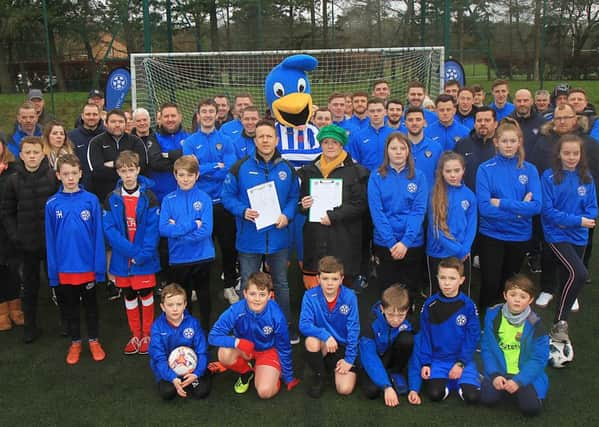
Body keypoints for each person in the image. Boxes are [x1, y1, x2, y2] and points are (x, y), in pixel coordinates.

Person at [221, 119, 300, 343]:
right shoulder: (240, 167)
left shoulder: (287, 168)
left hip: (278, 237)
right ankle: (249, 327)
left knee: (281, 283)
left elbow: (294, 197)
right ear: (254, 140)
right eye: (261, 136)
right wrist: (242, 210)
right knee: (248, 282)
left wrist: (287, 214)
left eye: (269, 136)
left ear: (276, 139)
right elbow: (227, 196)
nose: (265, 140)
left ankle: (285, 326)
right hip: (249, 238)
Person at [45, 154, 106, 364]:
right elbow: (50, 240)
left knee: (91, 306)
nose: (70, 178)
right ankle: (75, 342)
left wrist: (99, 268)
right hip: (64, 269)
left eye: (74, 173)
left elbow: (98, 236)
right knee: (70, 308)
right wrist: (53, 273)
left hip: (87, 267)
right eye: (65, 174)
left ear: (80, 174)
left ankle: (94, 340)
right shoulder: (52, 204)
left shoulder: (91, 200)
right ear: (58, 176)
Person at [476, 118, 542, 311]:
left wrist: (503, 203)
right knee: (490, 281)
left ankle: (504, 319)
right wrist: (521, 210)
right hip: (492, 235)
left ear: (519, 142)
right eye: (504, 141)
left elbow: (536, 206)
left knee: (509, 283)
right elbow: (485, 208)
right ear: (496, 142)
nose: (508, 145)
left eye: (513, 141)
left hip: (519, 236)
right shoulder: (485, 169)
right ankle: (485, 320)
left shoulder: (529, 170)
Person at [1, 136, 58, 342]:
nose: (32, 156)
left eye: (36, 152)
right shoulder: (12, 181)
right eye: (28, 153)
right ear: (21, 155)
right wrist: (16, 236)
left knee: (57, 284)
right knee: (30, 287)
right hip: (27, 245)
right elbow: (6, 212)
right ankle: (30, 327)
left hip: (51, 244)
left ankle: (66, 325)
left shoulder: (53, 177)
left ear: (43, 153)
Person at [103, 151, 161, 355]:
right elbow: (110, 230)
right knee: (128, 295)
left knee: (145, 293)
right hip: (123, 259)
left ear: (138, 170)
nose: (128, 175)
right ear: (118, 172)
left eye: (131, 170)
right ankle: (135, 334)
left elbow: (153, 230)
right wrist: (131, 252)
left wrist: (142, 254)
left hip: (145, 258)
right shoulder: (112, 198)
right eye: (123, 171)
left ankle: (147, 334)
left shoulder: (149, 197)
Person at [540, 134, 597, 343]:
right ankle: (560, 322)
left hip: (578, 236)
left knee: (568, 277)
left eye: (575, 153)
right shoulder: (549, 177)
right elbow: (548, 211)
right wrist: (577, 220)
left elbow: (592, 210)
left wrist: (573, 221)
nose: (571, 157)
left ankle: (558, 323)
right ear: (559, 154)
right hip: (556, 235)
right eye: (567, 153)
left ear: (581, 155)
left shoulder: (587, 177)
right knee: (580, 273)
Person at [183, 99, 239, 305]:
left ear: (217, 115)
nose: (207, 115)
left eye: (211, 112)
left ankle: (229, 286)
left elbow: (230, 168)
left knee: (228, 247)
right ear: (198, 115)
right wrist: (216, 165)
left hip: (222, 202)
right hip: (198, 203)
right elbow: (190, 170)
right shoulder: (190, 142)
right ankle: (196, 286)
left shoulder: (226, 140)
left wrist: (203, 168)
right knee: (198, 245)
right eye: (203, 111)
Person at [298, 124, 369, 289]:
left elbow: (360, 204)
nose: (330, 146)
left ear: (341, 145)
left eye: (335, 142)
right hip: (316, 236)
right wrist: (303, 204)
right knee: (318, 284)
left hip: (344, 236)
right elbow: (300, 201)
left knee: (342, 284)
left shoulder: (357, 172)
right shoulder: (309, 171)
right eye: (326, 142)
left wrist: (334, 215)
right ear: (320, 144)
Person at [209, 271, 299, 397]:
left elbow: (284, 347)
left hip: (268, 351)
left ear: (269, 296)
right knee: (224, 353)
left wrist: (288, 376)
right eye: (252, 294)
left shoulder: (276, 316)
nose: (257, 299)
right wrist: (237, 342)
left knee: (265, 392)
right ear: (245, 293)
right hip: (245, 349)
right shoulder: (236, 310)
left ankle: (267, 371)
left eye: (262, 294)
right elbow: (213, 336)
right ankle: (247, 372)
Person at [368, 132, 428, 297]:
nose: (398, 151)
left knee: (409, 290)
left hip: (412, 243)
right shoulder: (376, 176)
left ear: (408, 151)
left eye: (403, 148)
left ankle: (407, 320)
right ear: (387, 151)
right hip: (385, 243)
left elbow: (418, 211)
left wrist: (406, 242)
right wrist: (391, 241)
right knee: (387, 290)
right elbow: (377, 212)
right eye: (393, 148)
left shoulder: (419, 176)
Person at [480, 274, 549, 416]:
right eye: (513, 295)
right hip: (500, 370)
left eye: (523, 296)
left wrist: (519, 380)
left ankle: (518, 388)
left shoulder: (536, 325)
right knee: (487, 400)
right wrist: (495, 374)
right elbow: (487, 348)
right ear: (505, 295)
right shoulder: (493, 316)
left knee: (531, 409)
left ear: (530, 300)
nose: (517, 299)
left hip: (523, 373)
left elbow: (539, 358)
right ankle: (493, 381)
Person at [159, 155, 214, 330]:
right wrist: (191, 225)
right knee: (183, 299)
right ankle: (186, 332)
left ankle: (205, 331)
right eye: (181, 175)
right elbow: (163, 229)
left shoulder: (204, 198)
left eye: (190, 175)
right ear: (175, 175)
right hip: (179, 258)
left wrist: (178, 233)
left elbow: (206, 230)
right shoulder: (168, 200)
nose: (185, 179)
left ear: (197, 175)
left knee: (204, 297)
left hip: (202, 256)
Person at [418, 257, 480, 404]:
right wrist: (426, 363)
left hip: (461, 360)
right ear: (437, 278)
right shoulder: (429, 305)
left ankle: (462, 381)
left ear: (461, 280)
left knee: (472, 398)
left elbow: (473, 337)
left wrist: (461, 363)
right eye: (443, 277)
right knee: (434, 394)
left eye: (452, 278)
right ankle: (449, 383)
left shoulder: (468, 305)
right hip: (438, 360)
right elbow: (425, 335)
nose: (446, 283)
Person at [299, 256, 359, 398]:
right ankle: (320, 376)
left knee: (345, 389)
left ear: (341, 279)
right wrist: (326, 335)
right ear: (318, 279)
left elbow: (354, 329)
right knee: (311, 341)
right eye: (325, 279)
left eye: (334, 279)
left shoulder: (350, 297)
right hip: (324, 343)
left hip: (342, 346)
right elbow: (304, 324)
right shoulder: (310, 296)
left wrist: (349, 359)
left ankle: (330, 366)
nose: (330, 283)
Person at [149, 283, 211, 400]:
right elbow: (158, 357)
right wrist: (172, 377)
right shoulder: (157, 327)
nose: (175, 309)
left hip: (191, 368)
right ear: (163, 307)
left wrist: (196, 373)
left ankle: (205, 372)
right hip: (169, 369)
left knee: (201, 392)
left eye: (179, 304)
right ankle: (177, 381)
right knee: (167, 393)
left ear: (185, 305)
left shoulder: (193, 323)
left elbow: (202, 351)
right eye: (170, 305)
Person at [426, 152, 477, 295]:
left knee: (461, 291)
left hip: (463, 253)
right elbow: (435, 228)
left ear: (463, 171)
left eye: (457, 170)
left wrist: (464, 248)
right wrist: (456, 249)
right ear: (441, 172)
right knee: (438, 291)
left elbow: (472, 226)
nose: (453, 175)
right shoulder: (434, 194)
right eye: (448, 171)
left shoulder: (469, 195)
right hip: (438, 252)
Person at [359, 285, 414, 407]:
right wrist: (386, 386)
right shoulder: (370, 323)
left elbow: (415, 350)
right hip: (375, 358)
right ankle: (387, 378)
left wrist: (415, 386)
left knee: (407, 339)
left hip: (391, 356)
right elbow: (369, 357)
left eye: (401, 315)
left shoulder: (409, 321)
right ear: (382, 308)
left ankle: (395, 372)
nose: (395, 320)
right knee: (371, 391)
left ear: (407, 310)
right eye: (391, 314)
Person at [87, 109, 149, 203]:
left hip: (134, 197)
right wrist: (128, 168)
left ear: (126, 123)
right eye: (113, 122)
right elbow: (96, 171)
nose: (117, 125)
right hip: (104, 198)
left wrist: (114, 163)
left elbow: (142, 167)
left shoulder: (136, 141)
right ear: (106, 123)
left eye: (120, 121)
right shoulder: (96, 142)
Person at [0, 138, 23, 331]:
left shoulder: (14, 168)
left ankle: (15, 307)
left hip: (11, 224)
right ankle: (2, 311)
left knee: (12, 268)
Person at [146, 103, 186, 203]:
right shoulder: (153, 137)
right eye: (166, 116)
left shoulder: (189, 137)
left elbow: (195, 161)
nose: (170, 119)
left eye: (173, 116)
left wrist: (167, 155)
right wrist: (182, 162)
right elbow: (156, 162)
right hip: (161, 197)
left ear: (180, 117)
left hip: (185, 195)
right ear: (160, 119)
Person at [454, 106, 498, 192]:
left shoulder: (502, 146)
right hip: (468, 199)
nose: (482, 123)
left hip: (494, 200)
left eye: (487, 120)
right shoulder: (462, 145)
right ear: (474, 124)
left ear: (495, 124)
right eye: (479, 120)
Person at [346, 97, 394, 172]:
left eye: (379, 111)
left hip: (390, 178)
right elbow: (354, 162)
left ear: (385, 112)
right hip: (366, 179)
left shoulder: (394, 134)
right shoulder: (357, 136)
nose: (376, 114)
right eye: (372, 111)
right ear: (367, 113)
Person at [68, 103, 105, 189]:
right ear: (82, 116)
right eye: (88, 114)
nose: (91, 117)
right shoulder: (71, 136)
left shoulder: (108, 135)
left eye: (95, 114)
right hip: (81, 186)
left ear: (100, 116)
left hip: (105, 186)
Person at [404, 106, 443, 188]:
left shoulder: (436, 148)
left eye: (418, 119)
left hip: (428, 198)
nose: (414, 123)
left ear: (424, 122)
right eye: (410, 120)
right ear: (405, 123)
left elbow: (440, 177)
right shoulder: (398, 147)